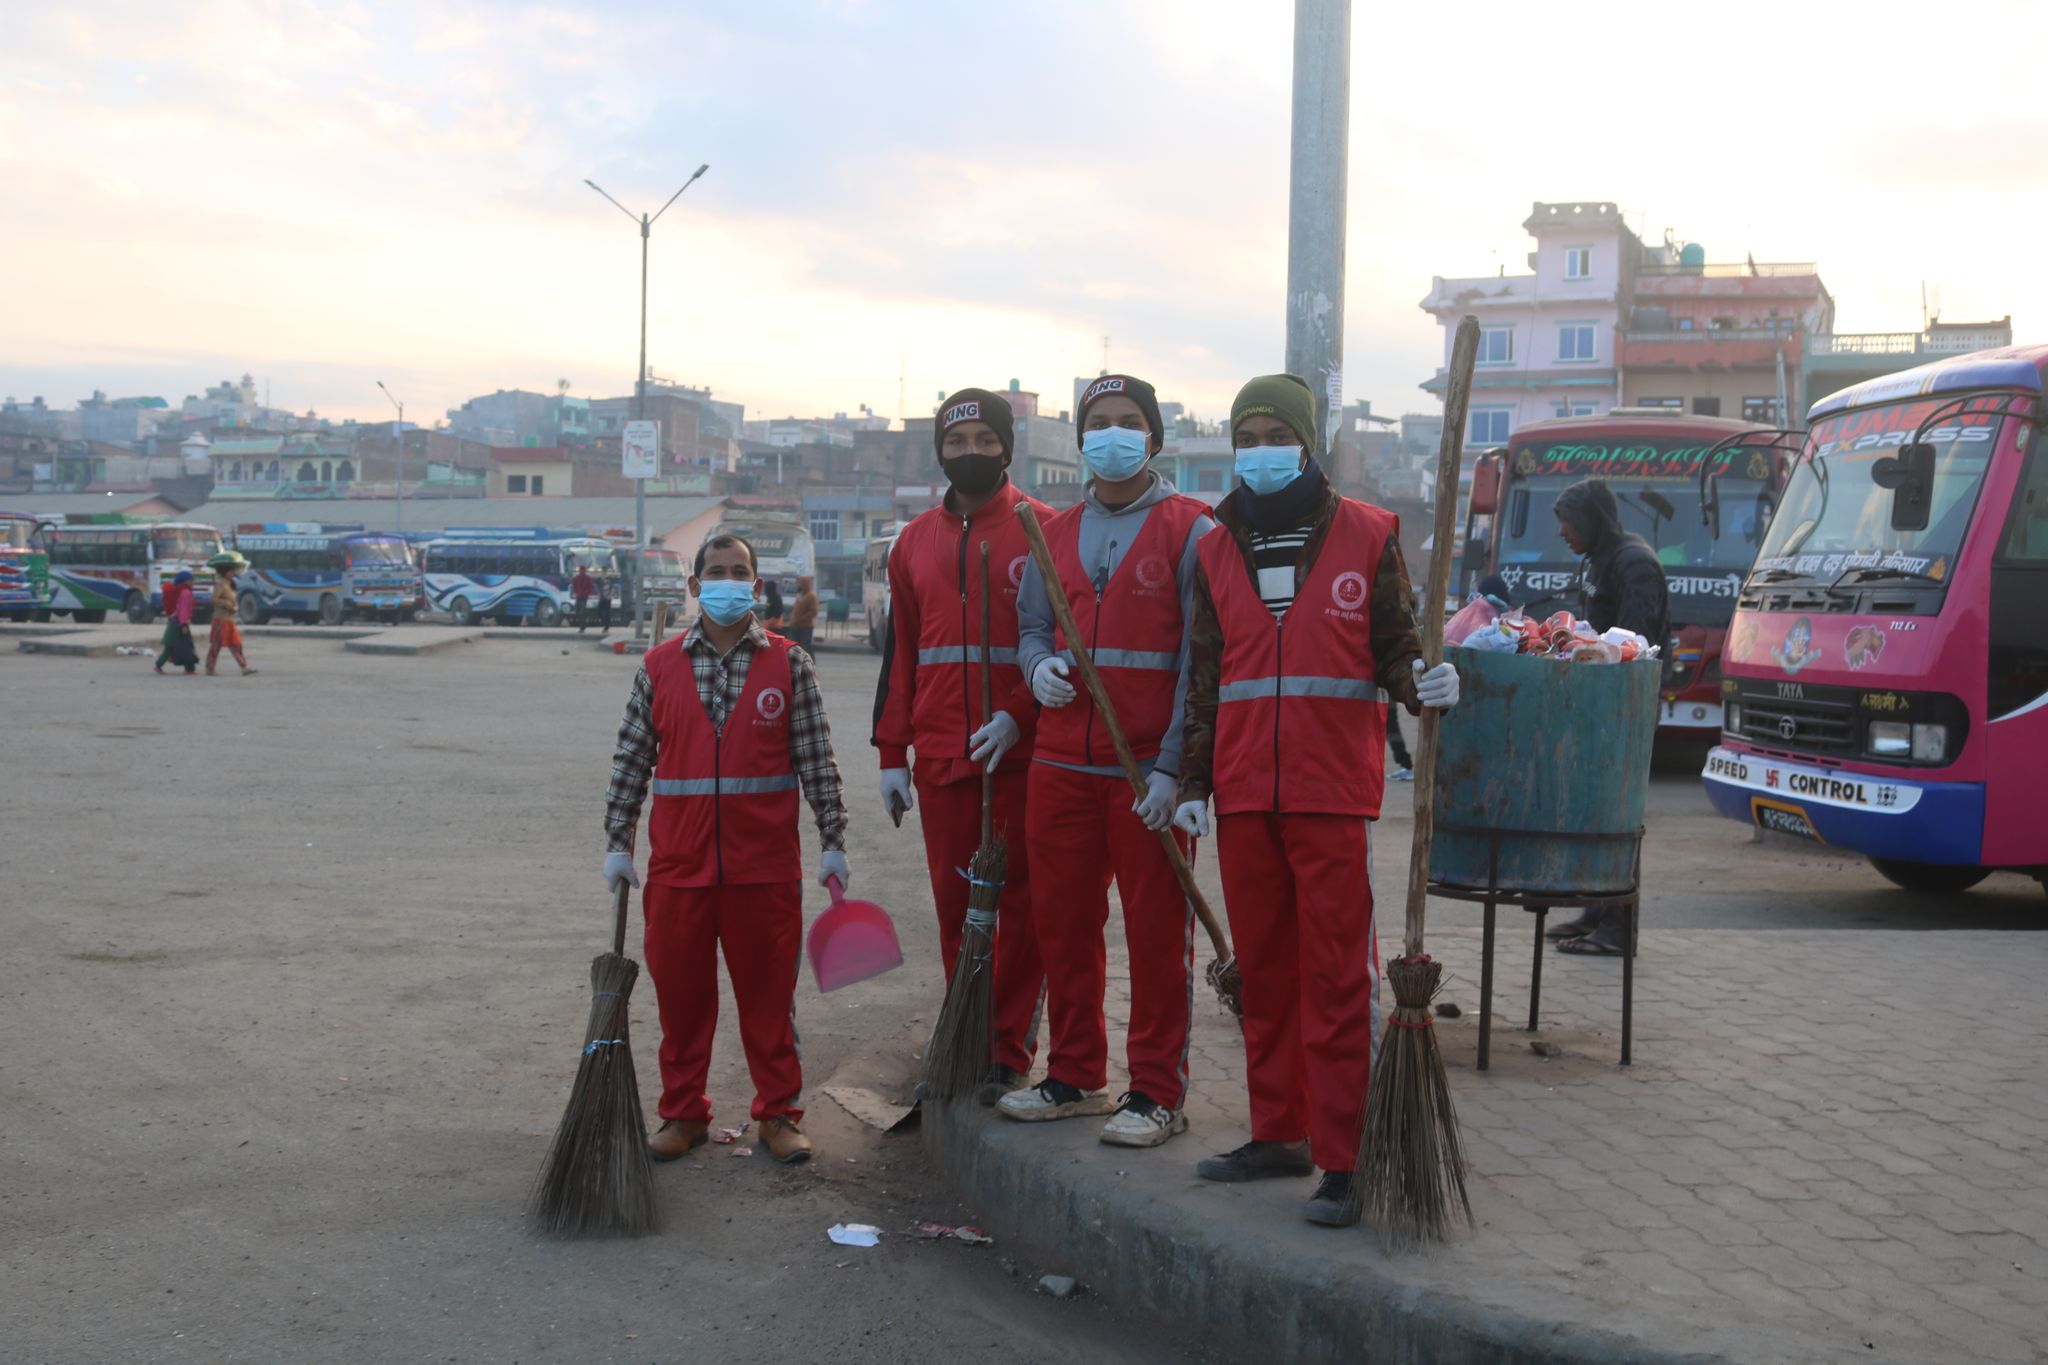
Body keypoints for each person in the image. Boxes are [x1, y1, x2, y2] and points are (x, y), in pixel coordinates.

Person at [1172, 374, 1460, 1227]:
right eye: (1246, 434)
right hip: (1245, 795)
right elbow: (1205, 679)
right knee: (1264, 973)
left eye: (1274, 432)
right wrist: (1191, 783)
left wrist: (1424, 683)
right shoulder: (1215, 546)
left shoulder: (1369, 536)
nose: (1259, 448)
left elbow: (1395, 646)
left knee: (1336, 977)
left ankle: (1344, 1156)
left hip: (1332, 792)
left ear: (1305, 440)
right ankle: (1279, 1132)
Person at [1004, 373, 1215, 1146]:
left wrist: (1176, 771)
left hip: (1144, 776)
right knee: (1063, 926)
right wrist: (1036, 670)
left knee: (1158, 934)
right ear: (1082, 437)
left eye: (1129, 422)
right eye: (1100, 422)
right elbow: (1030, 629)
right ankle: (1075, 1075)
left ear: (1153, 438)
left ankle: (1156, 1091)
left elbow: (1202, 661)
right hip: (1060, 765)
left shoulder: (1193, 529)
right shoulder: (1049, 532)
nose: (1113, 434)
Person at [602, 532, 848, 1165]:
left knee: (769, 1004)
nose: (729, 581)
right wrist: (618, 842)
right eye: (716, 571)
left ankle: (779, 1115)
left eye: (740, 572)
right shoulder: (657, 667)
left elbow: (816, 759)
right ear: (694, 585)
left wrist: (832, 839)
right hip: (679, 871)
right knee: (681, 1003)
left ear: (756, 584)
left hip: (762, 872)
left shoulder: (789, 663)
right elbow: (631, 761)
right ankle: (683, 1115)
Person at [871, 387, 1048, 1107]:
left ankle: (1009, 1050)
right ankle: (967, 1034)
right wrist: (891, 753)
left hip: (1023, 753)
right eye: (957, 440)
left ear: (1006, 446)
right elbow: (899, 655)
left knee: (1023, 910)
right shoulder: (910, 542)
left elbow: (1063, 645)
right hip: (942, 755)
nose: (970, 452)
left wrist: (1016, 715)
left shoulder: (1045, 529)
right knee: (957, 908)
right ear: (939, 450)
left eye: (984, 439)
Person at [1549, 479, 1668, 957]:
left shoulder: (1634, 564)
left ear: (1594, 519)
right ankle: (1597, 909)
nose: (1562, 532)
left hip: (1623, 709)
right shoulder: (1599, 560)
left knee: (1617, 816)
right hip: (1597, 706)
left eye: (1569, 521)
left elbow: (1632, 644)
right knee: (1593, 813)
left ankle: (1619, 927)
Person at [204, 552, 256, 676]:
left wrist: (235, 607)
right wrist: (226, 604)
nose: (233, 573)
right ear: (224, 571)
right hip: (220, 620)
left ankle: (244, 667)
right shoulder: (220, 584)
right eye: (231, 571)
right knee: (216, 645)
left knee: (236, 644)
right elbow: (213, 599)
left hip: (229, 620)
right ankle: (209, 668)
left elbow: (233, 601)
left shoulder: (229, 584)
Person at [154, 570, 197, 675]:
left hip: (175, 621)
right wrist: (183, 624)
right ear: (185, 582)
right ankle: (158, 665)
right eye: (190, 580)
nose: (193, 582)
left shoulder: (181, 591)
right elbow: (183, 609)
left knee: (186, 644)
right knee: (171, 646)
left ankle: (189, 669)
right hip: (178, 623)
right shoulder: (186, 593)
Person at [786, 574, 819, 652]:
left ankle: (810, 663)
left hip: (805, 627)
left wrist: (800, 619)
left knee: (805, 649)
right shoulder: (800, 595)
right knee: (795, 649)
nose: (797, 586)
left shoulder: (811, 596)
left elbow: (813, 612)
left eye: (799, 584)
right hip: (795, 626)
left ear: (804, 584)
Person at [571, 563, 596, 633]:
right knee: (577, 611)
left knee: (582, 612)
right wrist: (576, 592)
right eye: (581, 570)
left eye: (582, 570)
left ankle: (582, 627)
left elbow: (591, 588)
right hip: (579, 596)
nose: (581, 571)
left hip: (584, 597)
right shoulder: (577, 578)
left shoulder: (587, 578)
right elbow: (574, 586)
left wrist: (586, 592)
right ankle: (582, 625)